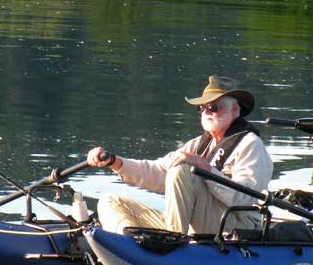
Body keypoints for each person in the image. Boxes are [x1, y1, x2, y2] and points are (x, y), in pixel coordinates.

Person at [83, 75, 273, 235]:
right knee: (110, 202)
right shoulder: (198, 144)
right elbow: (158, 172)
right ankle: (133, 246)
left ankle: (172, 242)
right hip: (196, 223)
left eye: (214, 107)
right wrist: (115, 162)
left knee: (182, 170)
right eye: (202, 107)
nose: (206, 111)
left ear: (235, 111)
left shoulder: (250, 144)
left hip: (236, 225)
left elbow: (246, 198)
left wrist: (206, 169)